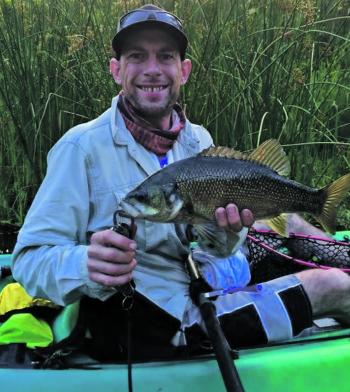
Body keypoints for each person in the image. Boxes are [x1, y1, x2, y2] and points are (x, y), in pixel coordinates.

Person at [12, 4, 350, 360]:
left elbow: (215, 247)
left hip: (210, 281)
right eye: (137, 56)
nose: (153, 70)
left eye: (166, 56)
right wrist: (85, 265)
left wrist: (227, 232)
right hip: (170, 322)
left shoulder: (197, 140)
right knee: (337, 286)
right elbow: (29, 261)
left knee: (289, 222)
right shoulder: (79, 149)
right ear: (116, 70)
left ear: (183, 70)